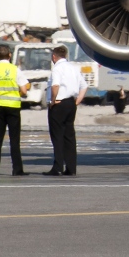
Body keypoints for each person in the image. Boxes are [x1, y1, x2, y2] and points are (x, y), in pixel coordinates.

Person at [0, 45, 30, 176]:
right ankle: (17, 169)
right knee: (14, 139)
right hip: (13, 107)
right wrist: (20, 94)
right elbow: (24, 90)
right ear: (9, 55)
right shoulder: (15, 70)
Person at [44, 45, 85, 176]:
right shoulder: (73, 68)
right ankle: (71, 168)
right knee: (69, 136)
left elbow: (55, 85)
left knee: (57, 136)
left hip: (59, 103)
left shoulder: (57, 69)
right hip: (70, 103)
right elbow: (84, 86)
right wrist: (77, 101)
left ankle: (57, 167)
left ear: (54, 57)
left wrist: (52, 101)